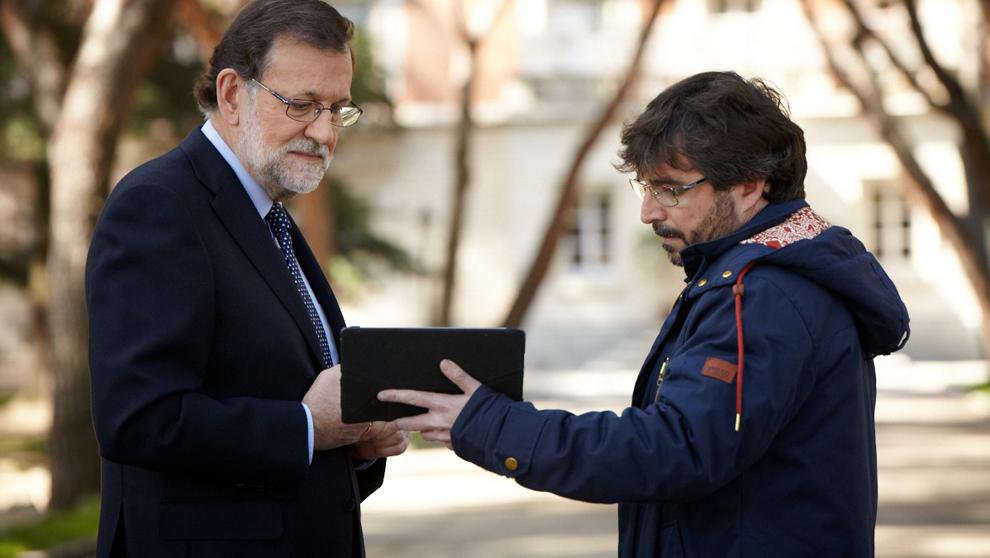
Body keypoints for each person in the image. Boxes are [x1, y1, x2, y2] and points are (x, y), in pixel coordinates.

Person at [380, 71, 910, 556]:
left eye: (671, 189)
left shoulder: (763, 294)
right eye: (646, 186)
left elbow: (675, 450)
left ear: (749, 185)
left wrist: (493, 425)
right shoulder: (764, 275)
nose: (648, 211)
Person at [86, 2, 408, 556]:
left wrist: (354, 443)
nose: (325, 131)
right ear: (233, 94)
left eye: (338, 109)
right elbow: (137, 418)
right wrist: (305, 427)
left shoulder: (268, 215)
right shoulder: (159, 206)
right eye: (303, 105)